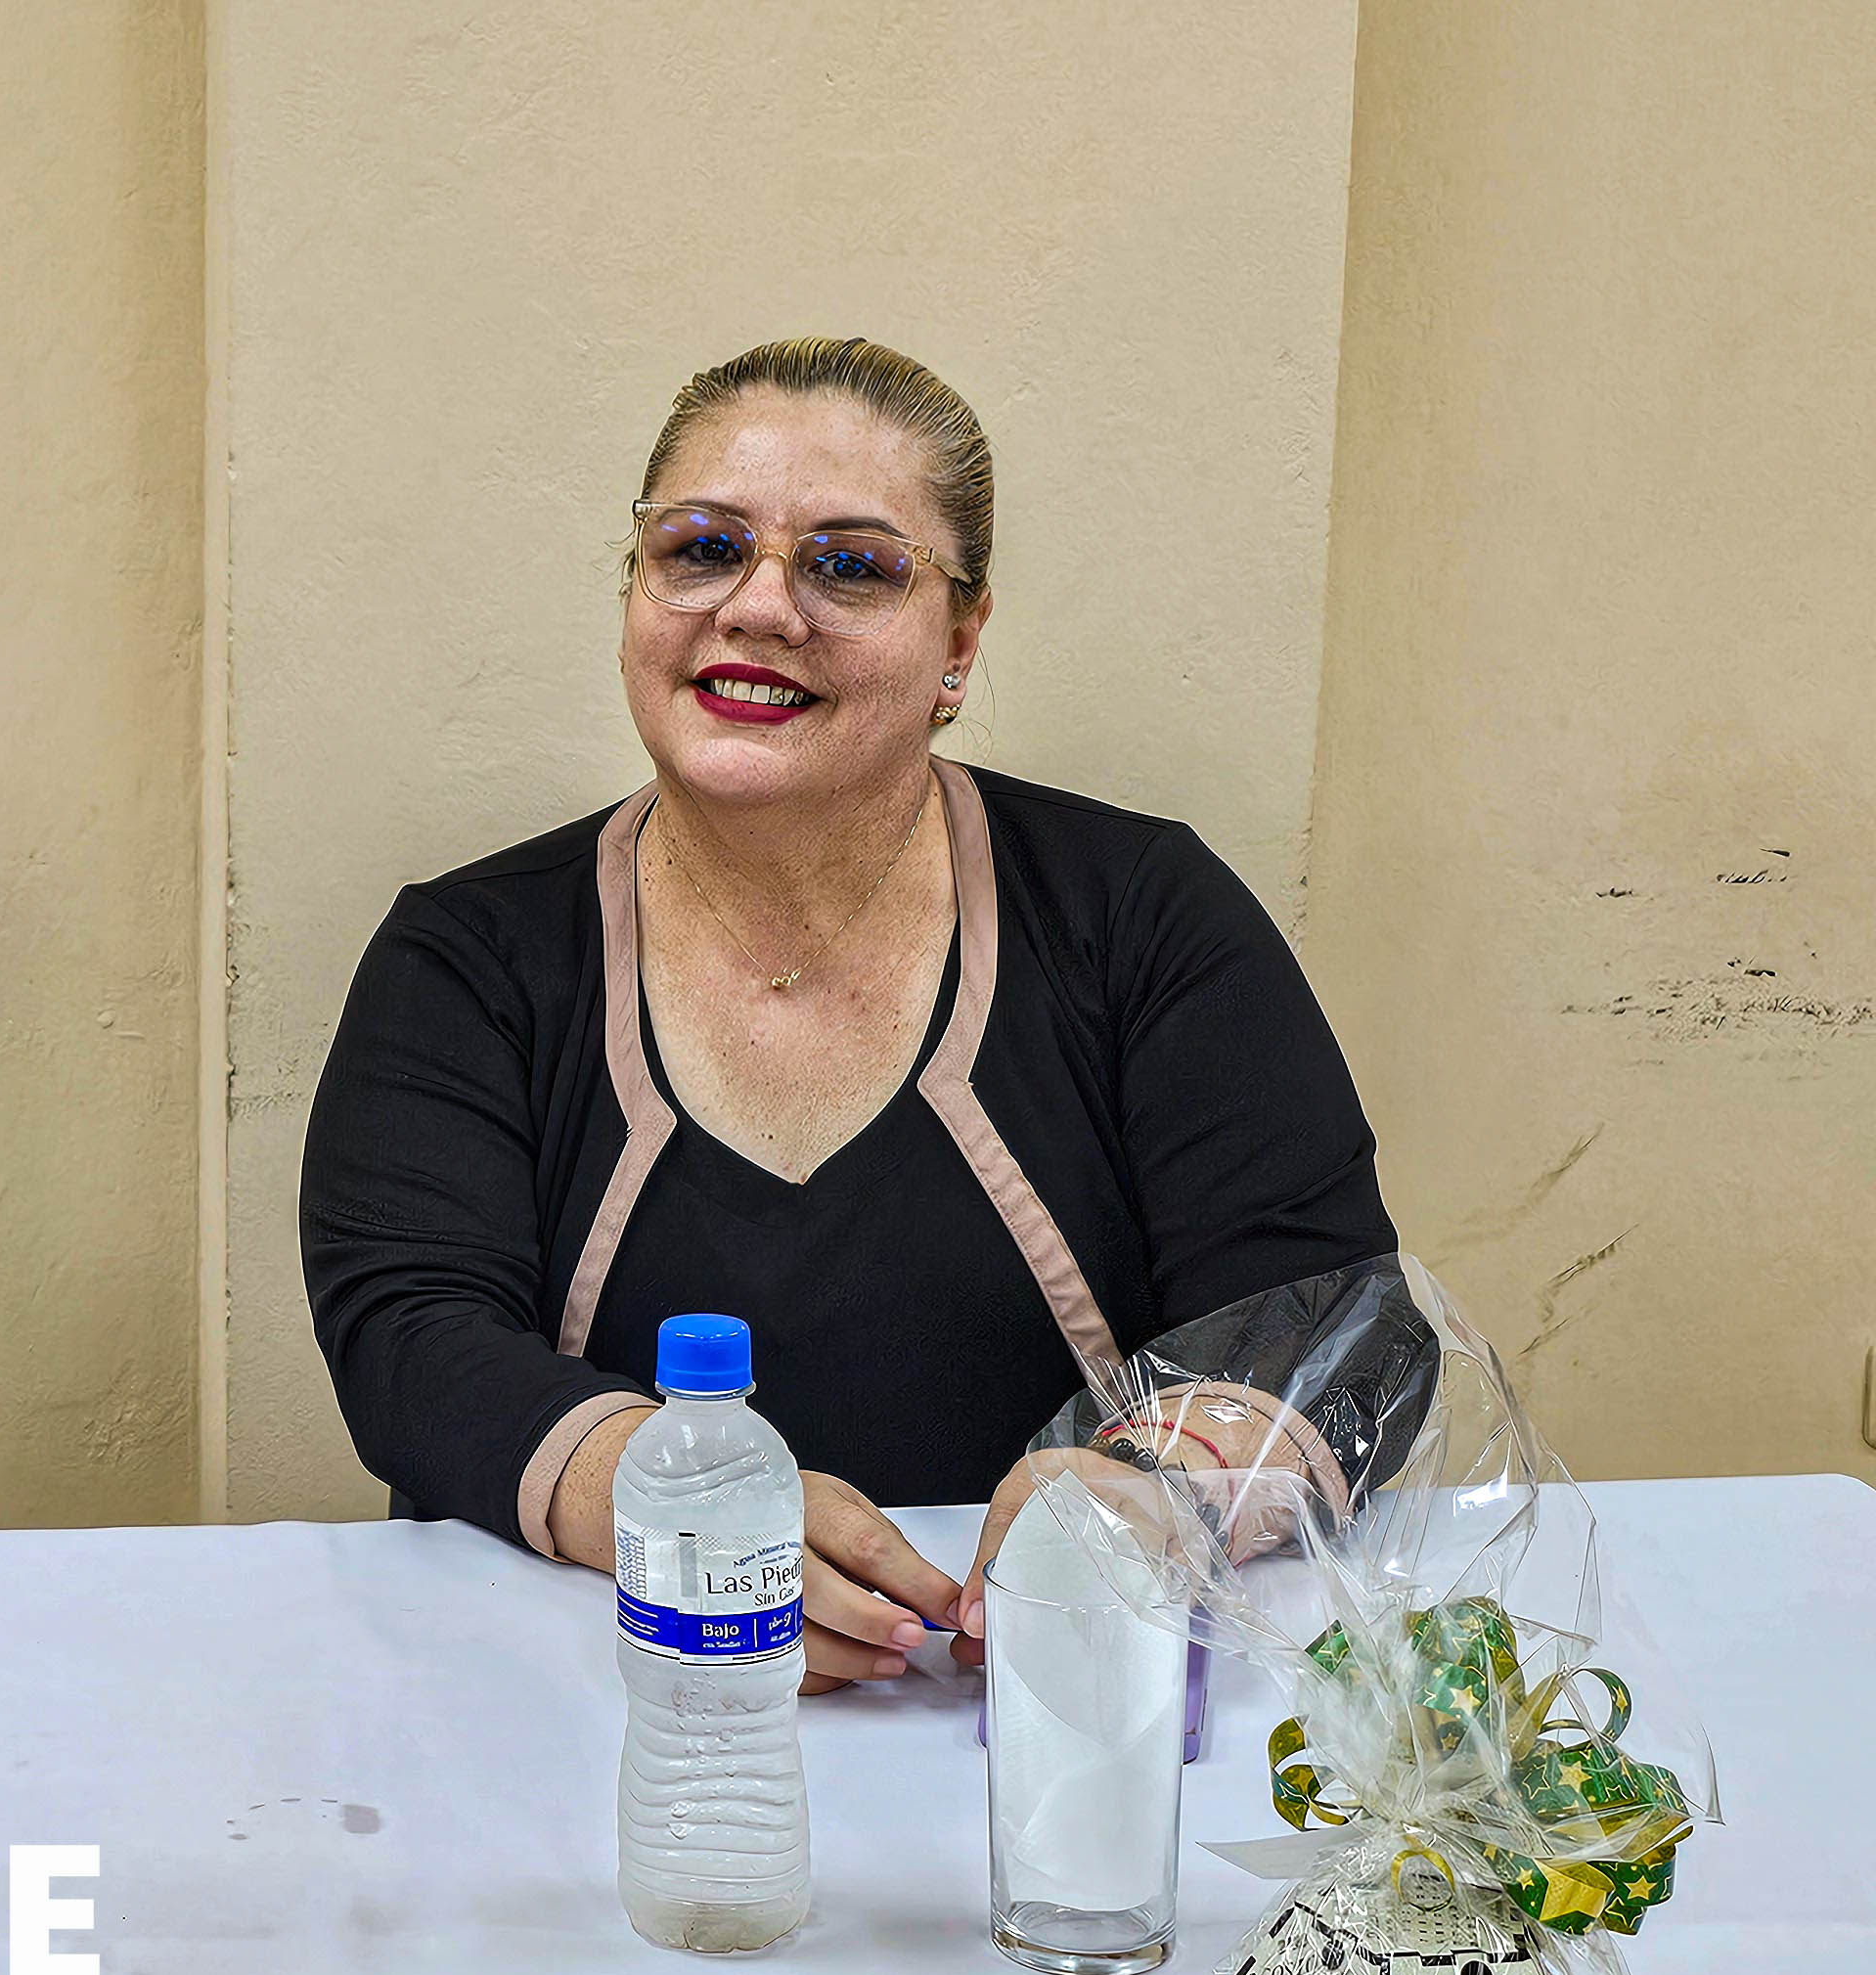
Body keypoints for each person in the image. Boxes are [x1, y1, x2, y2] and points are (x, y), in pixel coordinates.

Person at [298, 337, 1391, 1691]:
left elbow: (1328, 1319)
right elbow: (410, 1339)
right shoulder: (468, 956)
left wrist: (1148, 1503)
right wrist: (659, 1505)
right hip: (608, 1713)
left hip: (1050, 1712)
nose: (757, 609)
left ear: (961, 643)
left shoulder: (1140, 917)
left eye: (851, 565)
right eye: (702, 549)